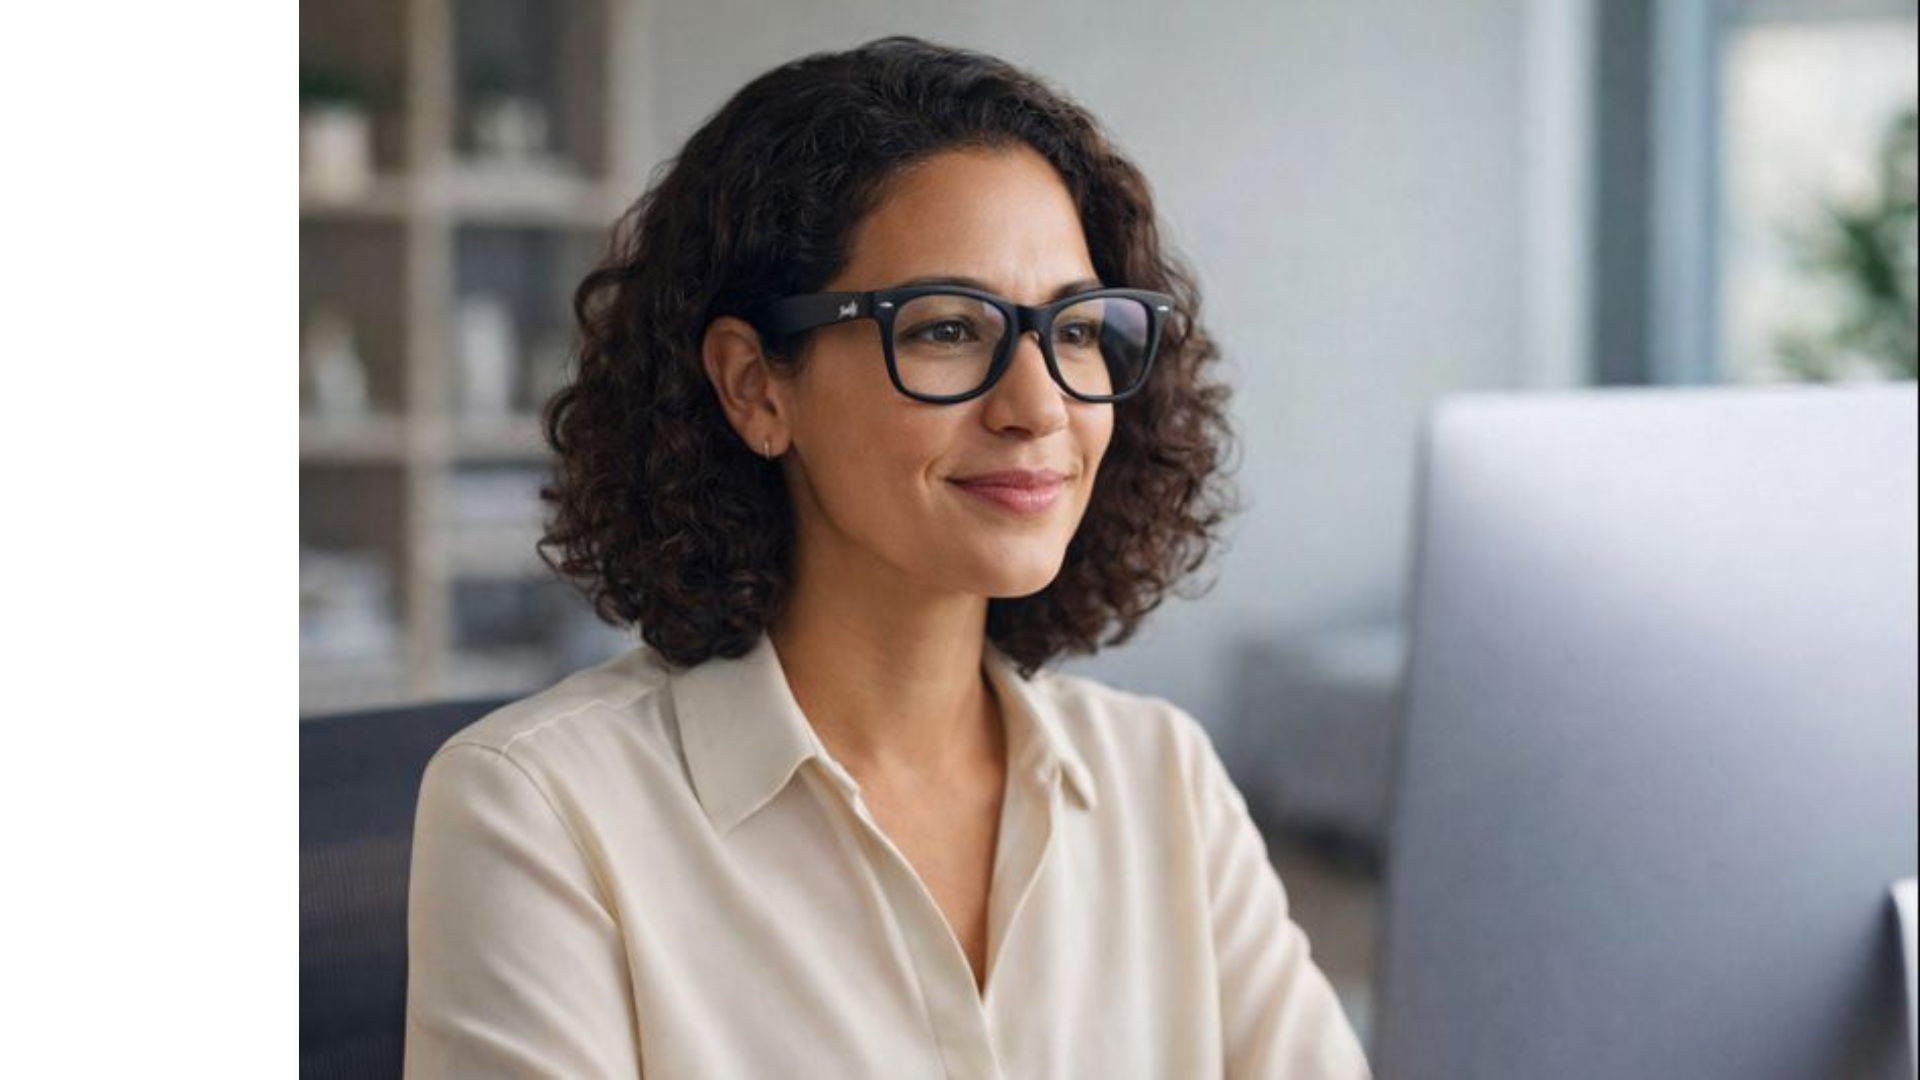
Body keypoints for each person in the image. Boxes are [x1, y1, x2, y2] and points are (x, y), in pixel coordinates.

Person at [403, 35, 1372, 1079]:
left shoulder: (1162, 779)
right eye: (950, 328)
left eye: (1078, 331)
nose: (1040, 406)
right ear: (755, 387)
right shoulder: (542, 808)